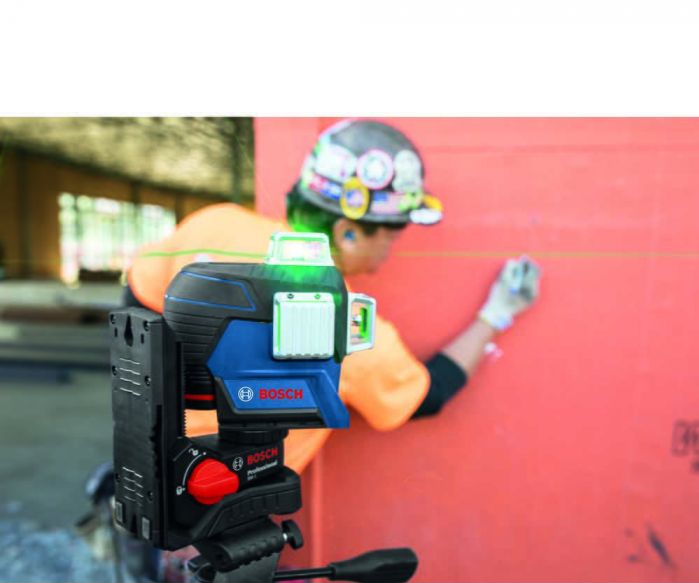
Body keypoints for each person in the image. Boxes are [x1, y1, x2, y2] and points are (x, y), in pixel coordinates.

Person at [126, 119, 541, 474]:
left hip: (143, 455)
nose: (391, 249)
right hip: (228, 495)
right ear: (348, 231)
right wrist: (495, 314)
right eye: (392, 235)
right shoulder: (346, 332)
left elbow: (136, 296)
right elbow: (427, 397)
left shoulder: (214, 224)